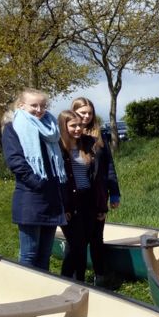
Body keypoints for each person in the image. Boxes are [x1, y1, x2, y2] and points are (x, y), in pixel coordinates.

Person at [1, 89, 67, 270]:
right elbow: (15, 161)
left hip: (52, 198)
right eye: (34, 105)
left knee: (45, 255)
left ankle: (44, 293)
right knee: (29, 254)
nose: (39, 109)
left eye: (43, 105)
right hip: (31, 197)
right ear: (21, 105)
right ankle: (26, 293)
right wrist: (38, 183)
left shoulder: (51, 127)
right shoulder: (13, 127)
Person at [71, 97, 121, 286]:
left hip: (98, 195)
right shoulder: (69, 134)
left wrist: (115, 193)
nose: (86, 116)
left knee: (97, 238)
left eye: (89, 113)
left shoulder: (100, 135)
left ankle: (101, 277)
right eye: (82, 112)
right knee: (78, 240)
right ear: (74, 112)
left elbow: (109, 166)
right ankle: (76, 279)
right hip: (77, 196)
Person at [57, 110, 105, 281]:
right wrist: (63, 207)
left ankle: (79, 281)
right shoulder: (57, 148)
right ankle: (68, 279)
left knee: (82, 243)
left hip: (88, 199)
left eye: (80, 125)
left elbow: (98, 177)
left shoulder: (87, 145)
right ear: (64, 126)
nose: (78, 129)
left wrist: (101, 205)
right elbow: (57, 181)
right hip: (70, 202)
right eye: (73, 125)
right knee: (76, 245)